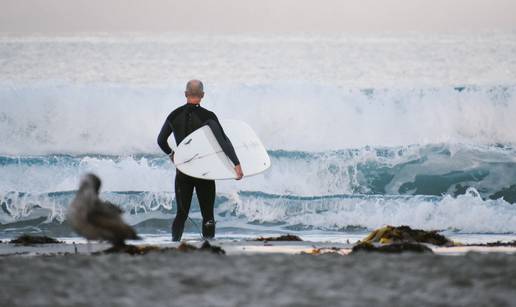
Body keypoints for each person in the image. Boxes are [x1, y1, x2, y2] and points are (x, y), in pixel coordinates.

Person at [157, 80, 243, 241]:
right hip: (204, 172)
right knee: (208, 216)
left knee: (181, 214)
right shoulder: (208, 116)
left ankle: (174, 245)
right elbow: (223, 141)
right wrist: (236, 163)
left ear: (185, 94)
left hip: (183, 171)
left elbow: (161, 140)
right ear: (202, 95)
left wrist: (172, 155)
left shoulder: (174, 115)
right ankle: (208, 248)